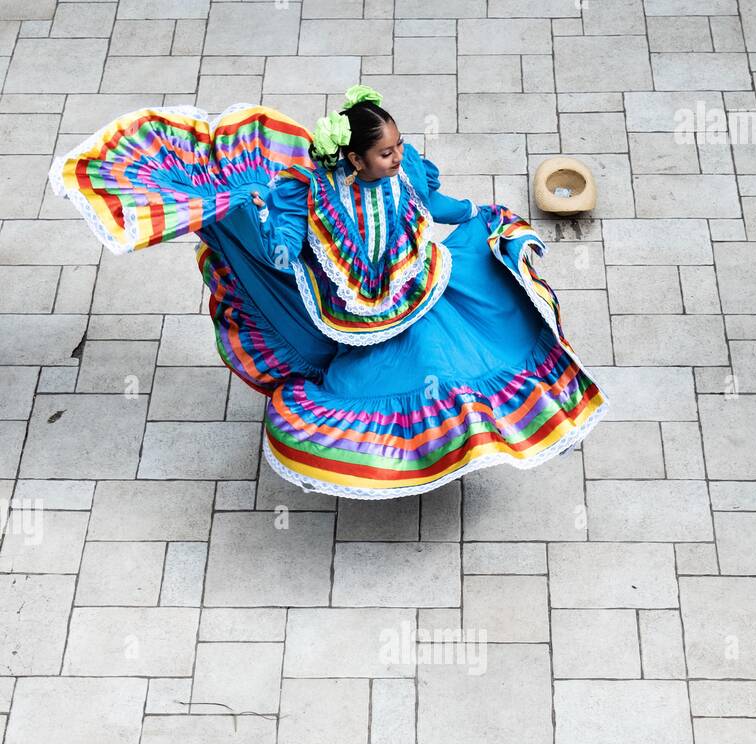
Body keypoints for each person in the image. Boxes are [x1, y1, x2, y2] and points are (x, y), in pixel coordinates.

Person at [50, 86, 608, 499]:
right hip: (358, 316)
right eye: (386, 152)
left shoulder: (403, 172)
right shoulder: (312, 191)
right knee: (381, 374)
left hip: (417, 291)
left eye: (398, 145)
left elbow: (435, 206)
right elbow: (285, 243)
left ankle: (467, 429)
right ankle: (413, 444)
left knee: (469, 341)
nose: (398, 156)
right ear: (355, 159)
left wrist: (476, 214)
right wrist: (269, 237)